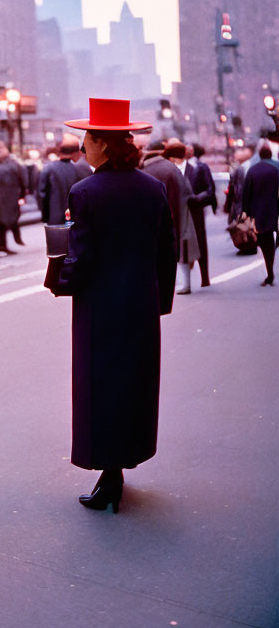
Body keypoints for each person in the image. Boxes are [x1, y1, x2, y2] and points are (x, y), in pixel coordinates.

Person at [46, 98, 176, 514]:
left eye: (86, 137)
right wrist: (161, 301)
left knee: (98, 386)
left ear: (103, 143)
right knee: (134, 386)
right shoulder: (152, 188)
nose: (82, 145)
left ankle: (109, 474)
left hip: (99, 306)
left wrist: (61, 283)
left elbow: (80, 256)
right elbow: (165, 251)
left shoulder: (85, 191)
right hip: (140, 302)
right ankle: (121, 466)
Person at [141, 141, 199, 295]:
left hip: (164, 216)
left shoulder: (147, 169)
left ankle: (181, 284)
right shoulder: (171, 168)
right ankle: (184, 283)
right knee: (182, 249)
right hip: (182, 212)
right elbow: (188, 191)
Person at [242, 146, 279, 285]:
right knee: (272, 242)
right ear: (270, 155)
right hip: (274, 210)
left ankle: (269, 270)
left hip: (258, 213)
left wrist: (245, 213)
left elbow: (246, 194)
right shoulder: (276, 169)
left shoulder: (253, 170)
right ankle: (270, 268)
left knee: (264, 242)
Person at [185, 144, 217, 286]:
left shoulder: (201, 167)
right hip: (183, 208)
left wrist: (198, 198)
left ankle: (205, 276)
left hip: (196, 208)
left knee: (200, 241)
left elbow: (210, 189)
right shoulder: (177, 167)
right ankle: (186, 277)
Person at [0, 140, 27, 256]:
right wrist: (22, 194)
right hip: (9, 196)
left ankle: (2, 246)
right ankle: (3, 245)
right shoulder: (13, 164)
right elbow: (22, 180)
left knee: (3, 221)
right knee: (6, 220)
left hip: (2, 197)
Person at [37, 136, 82, 225]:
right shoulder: (81, 169)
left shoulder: (48, 169)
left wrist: (45, 215)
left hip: (54, 219)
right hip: (77, 219)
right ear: (76, 152)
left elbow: (42, 195)